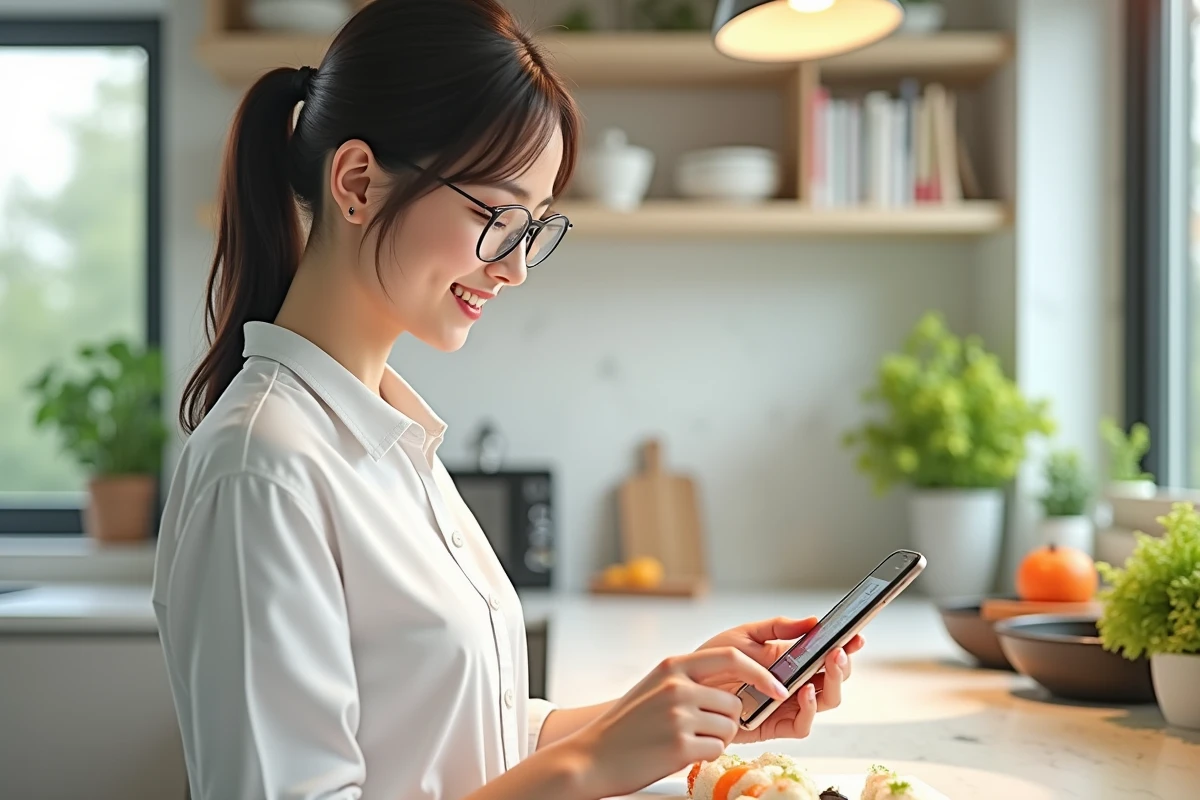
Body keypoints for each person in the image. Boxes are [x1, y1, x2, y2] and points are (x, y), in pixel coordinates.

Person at [151, 1, 863, 798]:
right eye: (497, 217)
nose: (515, 268)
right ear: (357, 183)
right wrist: (594, 765)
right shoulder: (264, 469)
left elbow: (457, 737)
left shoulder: (386, 439)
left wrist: (673, 708)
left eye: (535, 229)